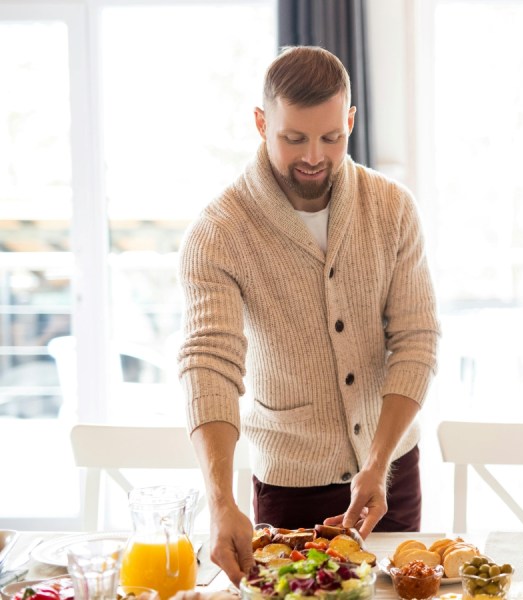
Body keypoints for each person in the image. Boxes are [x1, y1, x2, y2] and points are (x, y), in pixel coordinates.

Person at [177, 46, 439, 585]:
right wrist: (220, 500)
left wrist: (379, 460)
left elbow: (416, 339)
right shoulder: (218, 233)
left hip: (390, 474)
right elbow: (210, 365)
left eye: (331, 137)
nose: (314, 155)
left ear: (350, 120)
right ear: (260, 122)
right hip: (288, 485)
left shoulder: (393, 208)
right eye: (293, 138)